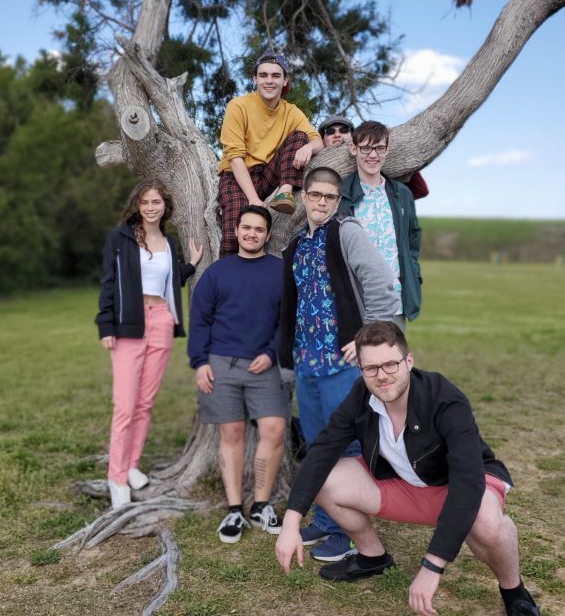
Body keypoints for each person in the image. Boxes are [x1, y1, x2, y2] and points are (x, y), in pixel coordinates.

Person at [275, 321, 541, 616]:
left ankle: (514, 591)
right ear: (360, 370)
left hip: (459, 485)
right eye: (371, 368)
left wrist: (432, 565)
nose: (382, 376)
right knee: (327, 479)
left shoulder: (445, 399)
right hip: (405, 483)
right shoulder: (361, 396)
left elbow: (468, 481)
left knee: (488, 525)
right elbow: (322, 451)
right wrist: (291, 523)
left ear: (408, 361)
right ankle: (372, 556)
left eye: (391, 364)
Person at [277, 166, 400, 562]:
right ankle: (328, 521)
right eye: (316, 195)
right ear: (304, 197)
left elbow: (381, 284)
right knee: (317, 446)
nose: (322, 202)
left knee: (346, 447)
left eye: (330, 197)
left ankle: (350, 532)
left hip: (342, 363)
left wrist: (368, 340)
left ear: (337, 201)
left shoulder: (347, 232)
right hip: (307, 361)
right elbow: (291, 304)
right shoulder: (296, 244)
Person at [96, 178, 204, 509]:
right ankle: (116, 478)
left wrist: (189, 266)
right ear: (137, 205)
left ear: (164, 205)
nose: (150, 207)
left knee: (144, 403)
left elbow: (167, 281)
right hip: (128, 323)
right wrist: (106, 324)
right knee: (125, 405)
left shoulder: (169, 242)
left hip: (160, 321)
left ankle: (131, 466)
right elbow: (109, 282)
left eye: (156, 202)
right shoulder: (120, 238)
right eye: (145, 202)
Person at [188, 205, 288, 543]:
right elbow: (199, 319)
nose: (251, 234)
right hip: (220, 363)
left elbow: (287, 320)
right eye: (246, 227)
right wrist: (199, 362)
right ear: (236, 230)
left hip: (264, 364)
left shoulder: (279, 271)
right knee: (231, 433)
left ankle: (261, 504)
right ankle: (234, 509)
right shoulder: (218, 272)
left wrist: (272, 351)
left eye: (259, 229)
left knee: (273, 429)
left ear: (268, 235)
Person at [216, 52, 323, 256]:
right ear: (255, 79)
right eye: (263, 75)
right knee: (236, 233)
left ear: (285, 80)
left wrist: (309, 147)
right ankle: (228, 280)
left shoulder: (290, 111)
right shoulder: (238, 106)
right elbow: (234, 156)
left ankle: (285, 191)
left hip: (268, 174)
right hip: (237, 175)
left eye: (275, 76)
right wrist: (253, 199)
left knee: (300, 137)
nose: (269, 81)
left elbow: (317, 140)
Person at [338, 120, 423, 323]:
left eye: (379, 148)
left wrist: (414, 278)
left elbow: (412, 241)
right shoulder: (340, 194)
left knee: (392, 356)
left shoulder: (401, 194)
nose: (373, 155)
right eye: (366, 148)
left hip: (395, 303)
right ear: (353, 149)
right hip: (356, 302)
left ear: (387, 150)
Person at [318, 115, 429, 200]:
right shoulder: (317, 165)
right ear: (323, 140)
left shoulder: (375, 164)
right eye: (330, 131)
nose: (337, 134)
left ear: (353, 137)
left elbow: (420, 190)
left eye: (344, 130)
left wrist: (403, 159)